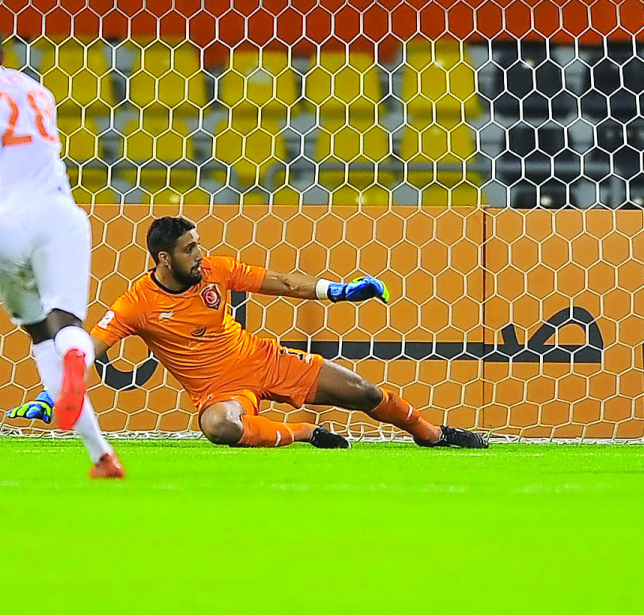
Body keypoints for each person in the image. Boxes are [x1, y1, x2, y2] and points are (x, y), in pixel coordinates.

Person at [30, 216, 489, 450]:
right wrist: (57, 392)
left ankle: (431, 434)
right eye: (190, 249)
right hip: (219, 392)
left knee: (364, 392)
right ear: (164, 259)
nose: (200, 254)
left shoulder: (217, 270)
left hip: (264, 360)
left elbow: (285, 284)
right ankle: (304, 434)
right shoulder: (136, 303)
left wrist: (340, 291)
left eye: (199, 244)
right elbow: (90, 345)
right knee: (219, 428)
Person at [0, 51, 123, 478]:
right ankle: (75, 355)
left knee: (37, 336)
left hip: (4, 222)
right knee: (66, 326)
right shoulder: (38, 91)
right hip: (59, 214)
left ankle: (102, 456)